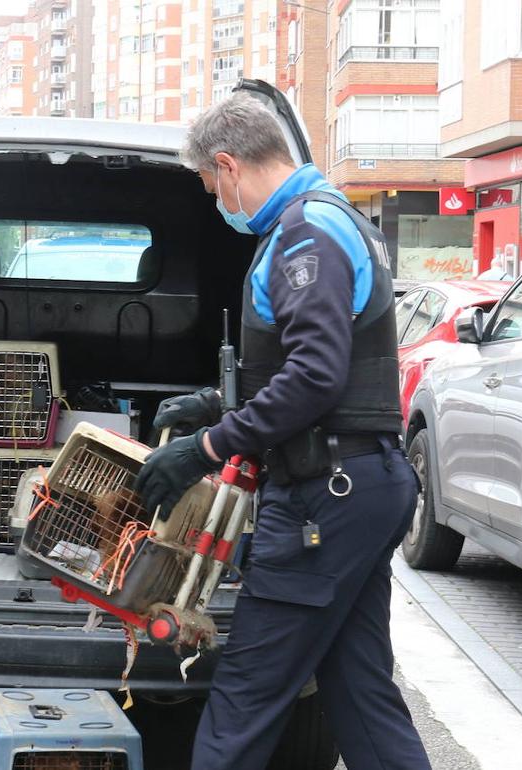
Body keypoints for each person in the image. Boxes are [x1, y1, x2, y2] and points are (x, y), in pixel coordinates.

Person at [133, 94, 432, 770]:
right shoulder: (328, 220)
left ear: (229, 165)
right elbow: (319, 364)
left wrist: (206, 449)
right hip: (360, 485)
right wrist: (214, 403)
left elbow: (317, 377)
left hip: (325, 498)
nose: (218, 200)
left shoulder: (307, 236)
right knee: (360, 691)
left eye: (212, 186)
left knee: (245, 696)